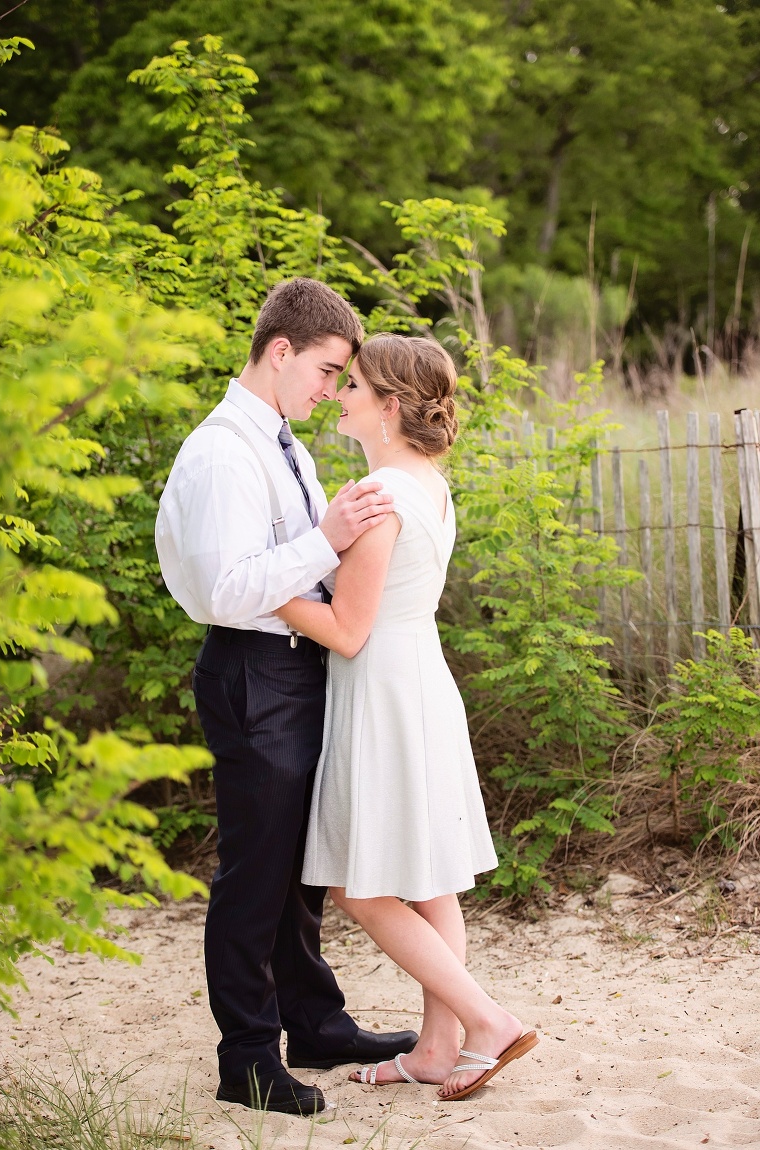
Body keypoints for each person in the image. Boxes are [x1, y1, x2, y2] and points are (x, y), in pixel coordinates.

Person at [155, 279, 419, 1117]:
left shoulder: (284, 442)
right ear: (280, 352)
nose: (333, 390)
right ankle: (246, 1059)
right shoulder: (223, 452)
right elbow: (225, 590)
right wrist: (326, 539)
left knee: (299, 870)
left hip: (299, 668)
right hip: (250, 672)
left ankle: (314, 1022)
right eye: (328, 370)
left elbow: (301, 562)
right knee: (255, 871)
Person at [274, 334, 538, 1102]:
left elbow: (348, 629)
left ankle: (485, 1021)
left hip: (383, 686)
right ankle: (435, 1048)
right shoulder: (427, 482)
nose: (338, 394)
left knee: (362, 887)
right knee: (427, 877)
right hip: (419, 677)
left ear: (389, 407)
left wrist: (252, 585)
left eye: (352, 385)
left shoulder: (380, 497)